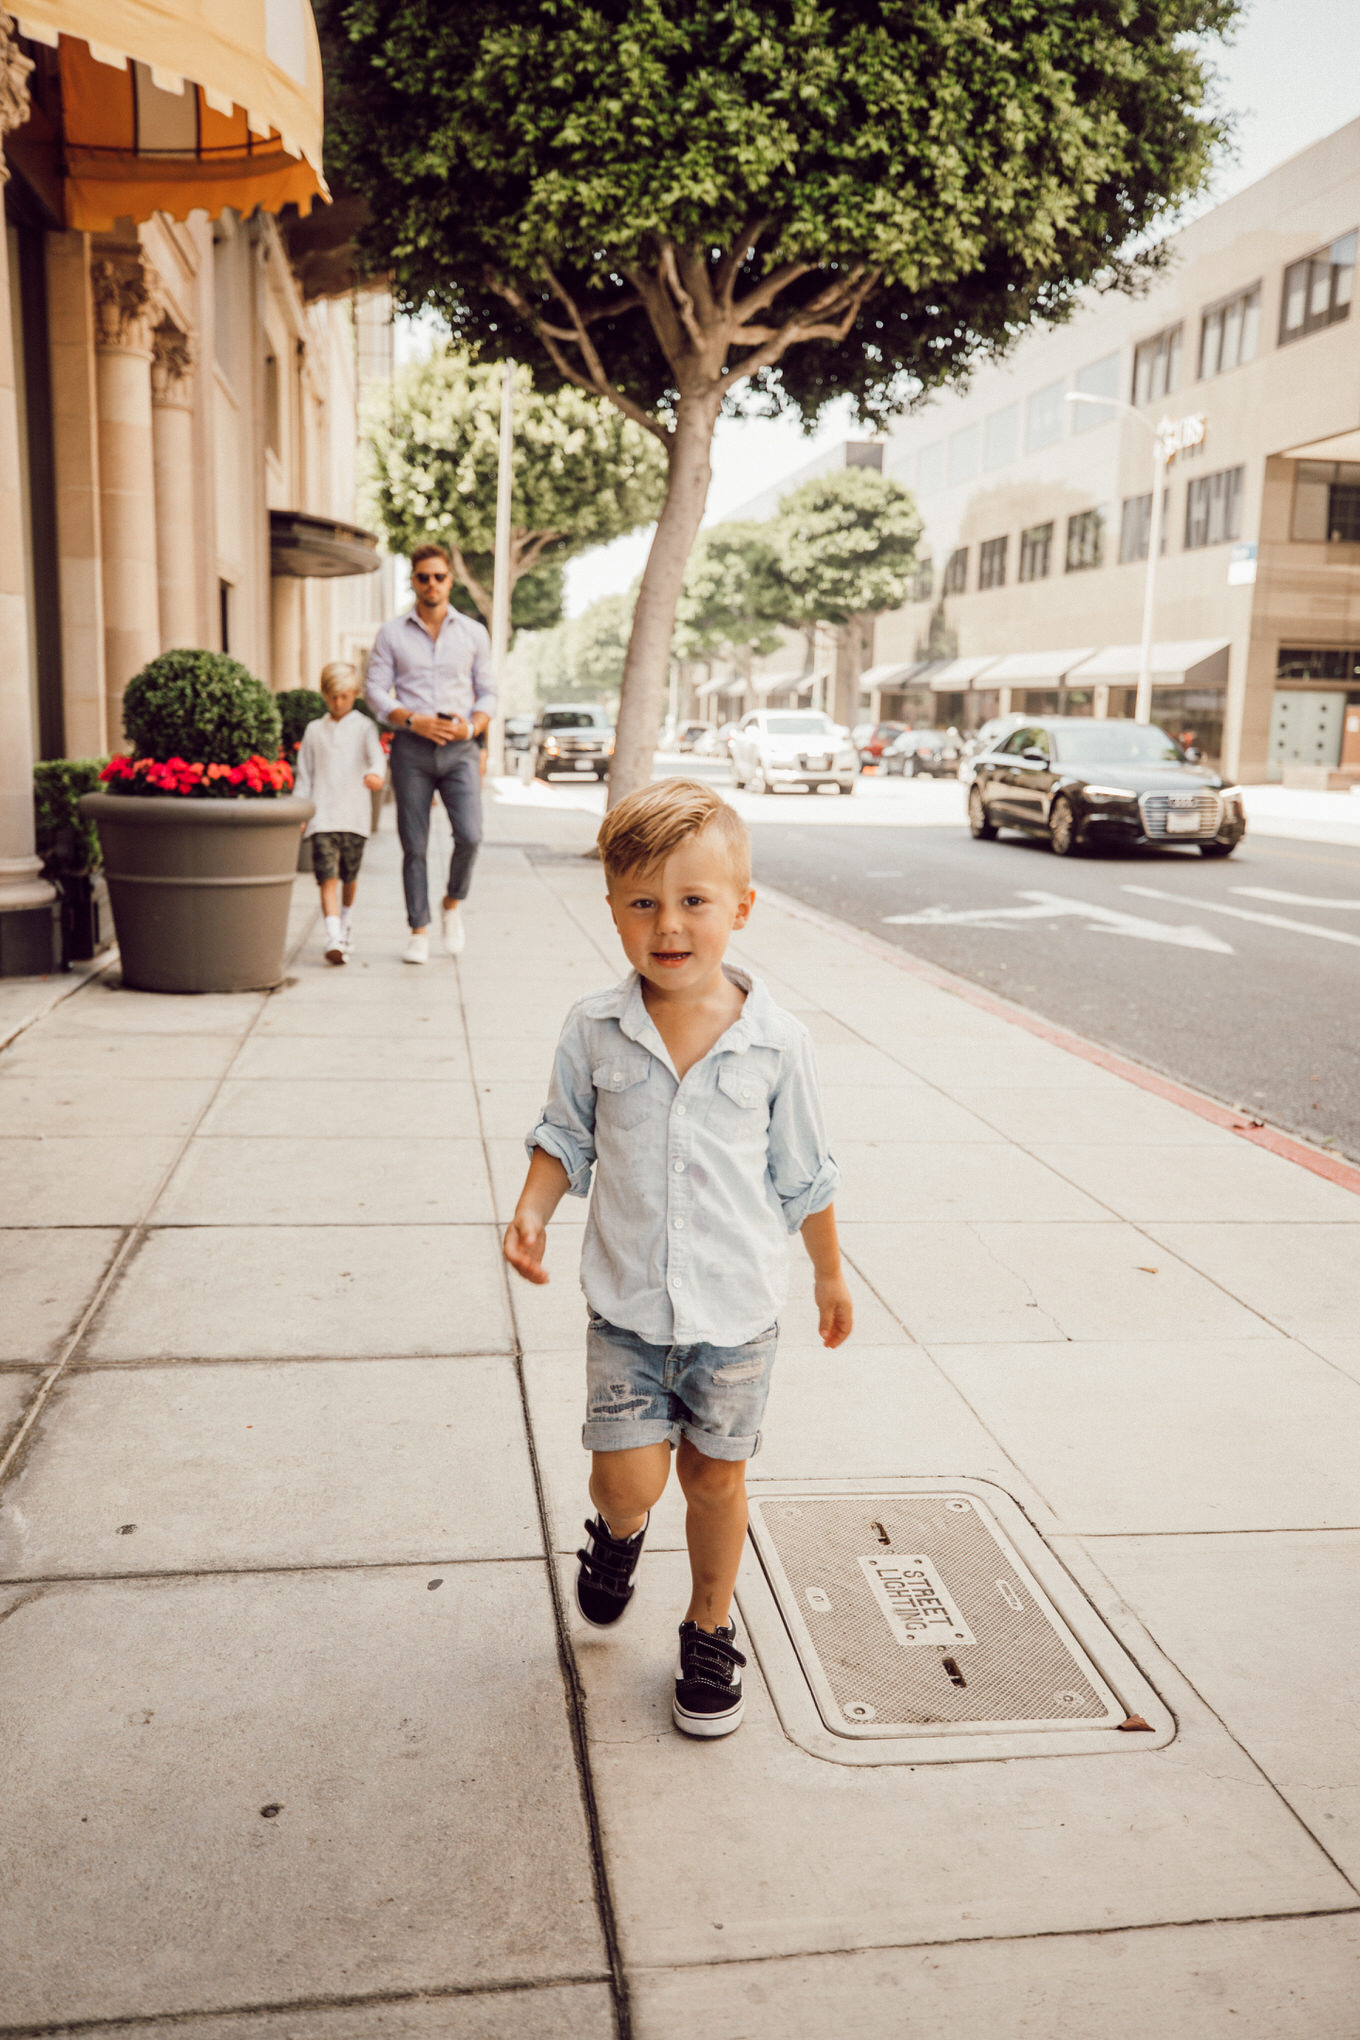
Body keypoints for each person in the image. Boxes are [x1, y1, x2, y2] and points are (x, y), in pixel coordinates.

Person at [503, 779, 853, 1738]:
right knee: (628, 1483)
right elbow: (563, 1137)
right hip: (626, 1315)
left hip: (737, 1318)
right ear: (612, 907)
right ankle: (615, 1541)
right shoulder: (593, 1028)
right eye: (645, 902)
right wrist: (533, 1209)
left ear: (741, 907)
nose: (670, 925)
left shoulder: (780, 1044)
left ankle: (708, 1622)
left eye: (695, 901)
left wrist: (827, 1269)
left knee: (714, 1479)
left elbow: (804, 1175)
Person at [365, 543, 495, 964]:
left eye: (439, 576)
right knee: (414, 844)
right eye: (424, 577)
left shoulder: (473, 632)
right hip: (411, 749)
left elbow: (488, 691)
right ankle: (418, 929)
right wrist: (409, 719)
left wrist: (472, 727)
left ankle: (452, 903)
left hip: (459, 748)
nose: (432, 583)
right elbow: (373, 690)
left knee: (471, 836)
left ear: (449, 581)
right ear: (413, 581)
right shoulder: (391, 633)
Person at [293, 661, 386, 965]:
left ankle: (345, 924)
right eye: (333, 696)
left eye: (344, 696)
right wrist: (300, 810)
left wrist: (375, 775)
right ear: (324, 694)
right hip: (323, 817)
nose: (338, 702)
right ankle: (333, 937)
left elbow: (377, 759)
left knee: (349, 877)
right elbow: (304, 775)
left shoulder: (364, 726)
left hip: (354, 817)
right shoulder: (314, 730)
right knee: (326, 877)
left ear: (355, 694)